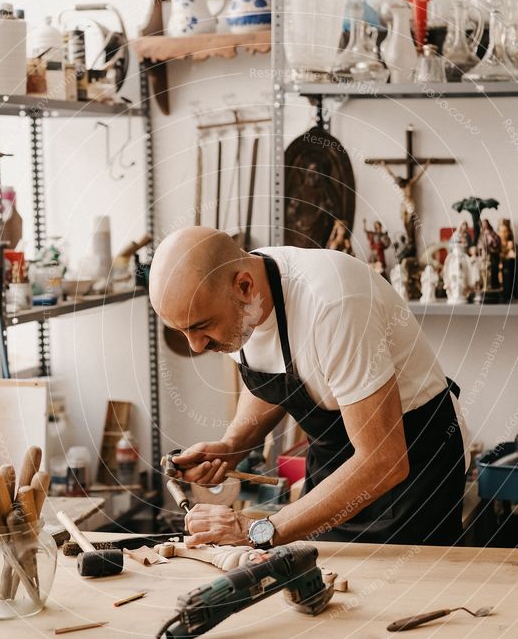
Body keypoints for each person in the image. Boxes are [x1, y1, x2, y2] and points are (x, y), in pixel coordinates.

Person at [149, 227, 468, 549]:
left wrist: (259, 529)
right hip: (333, 465)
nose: (197, 345)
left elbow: (383, 460)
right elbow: (276, 373)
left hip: (413, 466)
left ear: (244, 286)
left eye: (201, 327)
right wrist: (234, 443)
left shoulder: (332, 304)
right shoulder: (235, 302)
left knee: (403, 591)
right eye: (182, 332)